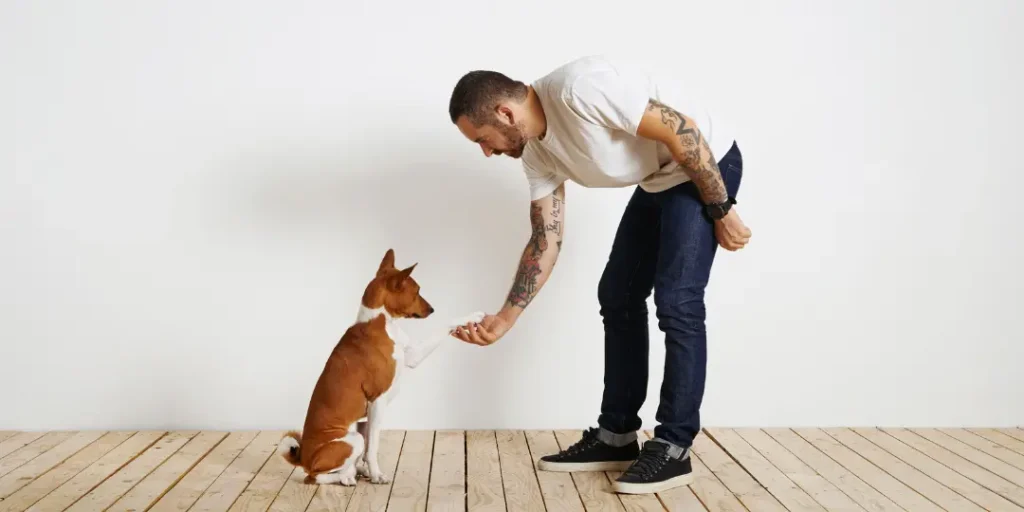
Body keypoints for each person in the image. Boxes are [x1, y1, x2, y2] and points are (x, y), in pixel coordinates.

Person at [446, 55, 751, 494]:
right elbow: (544, 240)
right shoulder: (535, 154)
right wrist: (503, 319)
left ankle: (673, 446)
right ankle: (617, 436)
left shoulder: (578, 90)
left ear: (504, 113)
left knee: (677, 298)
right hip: (658, 179)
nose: (488, 151)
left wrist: (721, 208)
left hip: (704, 161)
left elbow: (680, 128)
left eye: (483, 139)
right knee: (618, 294)